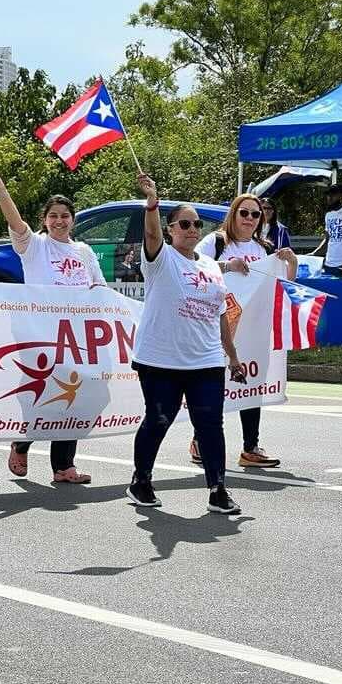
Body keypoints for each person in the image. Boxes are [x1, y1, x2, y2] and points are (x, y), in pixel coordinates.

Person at [127, 173, 248, 515]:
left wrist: (233, 357)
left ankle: (218, 488)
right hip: (161, 360)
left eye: (196, 224)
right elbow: (149, 234)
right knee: (159, 419)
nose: (192, 229)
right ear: (170, 229)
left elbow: (220, 312)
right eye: (184, 223)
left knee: (210, 424)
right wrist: (152, 203)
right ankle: (141, 480)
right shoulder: (160, 258)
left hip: (206, 361)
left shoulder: (210, 265)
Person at [0, 170, 103, 484]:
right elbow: (15, 224)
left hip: (77, 339)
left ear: (73, 220)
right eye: (53, 216)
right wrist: (1, 190)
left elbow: (99, 290)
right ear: (45, 220)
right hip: (40, 338)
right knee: (45, 399)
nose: (59, 221)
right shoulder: (35, 246)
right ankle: (22, 442)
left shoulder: (84, 252)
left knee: (77, 399)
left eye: (65, 216)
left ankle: (64, 467)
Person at [190, 192, 297, 469]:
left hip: (254, 329)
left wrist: (291, 264)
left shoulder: (264, 248)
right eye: (244, 213)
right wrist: (228, 266)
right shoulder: (216, 241)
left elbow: (280, 288)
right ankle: (200, 439)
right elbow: (191, 266)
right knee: (215, 384)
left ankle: (251, 447)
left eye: (256, 214)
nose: (250, 218)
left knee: (251, 383)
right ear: (233, 214)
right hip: (218, 326)